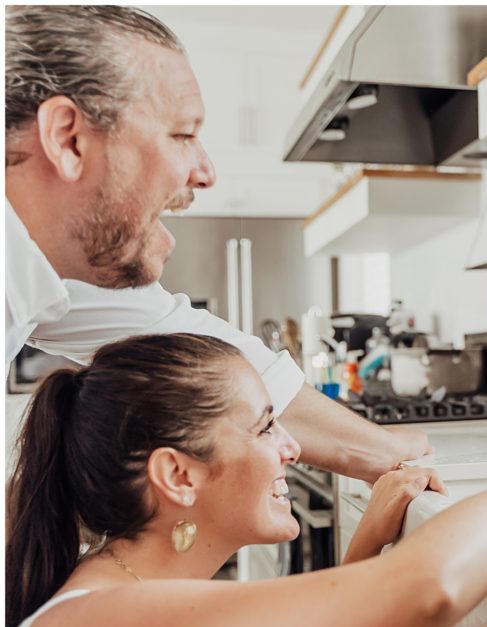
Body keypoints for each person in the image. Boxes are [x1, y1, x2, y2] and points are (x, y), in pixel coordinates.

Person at [4, 333, 487, 627]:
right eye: (266, 427)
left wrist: (367, 544)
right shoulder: (110, 620)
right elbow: (429, 589)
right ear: (178, 475)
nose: (292, 449)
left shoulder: (116, 598)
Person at [4, 5, 427, 483]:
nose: (205, 174)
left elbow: (192, 347)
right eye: (183, 135)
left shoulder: (50, 268)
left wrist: (377, 449)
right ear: (69, 139)